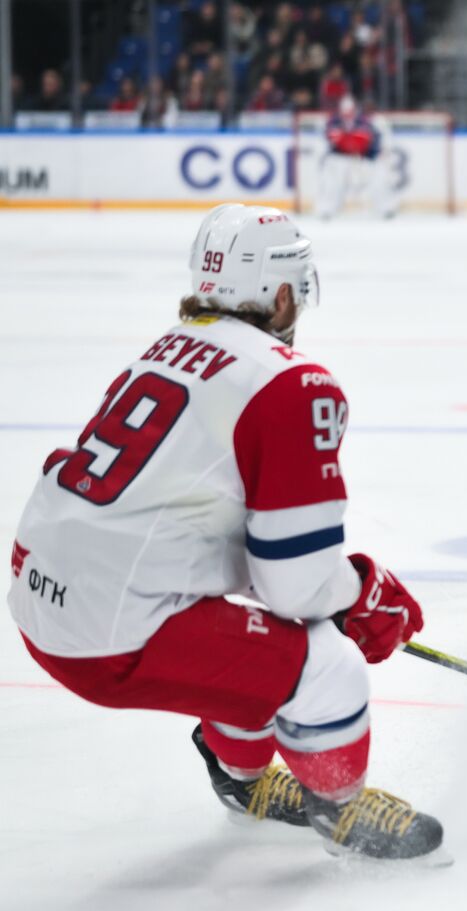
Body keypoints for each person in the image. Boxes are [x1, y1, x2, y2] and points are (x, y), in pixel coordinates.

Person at [7, 204, 443, 861]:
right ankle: (339, 806)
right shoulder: (293, 382)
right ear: (287, 292)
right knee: (329, 666)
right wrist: (360, 589)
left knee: (268, 637)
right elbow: (295, 585)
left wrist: (342, 589)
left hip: (36, 595)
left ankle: (240, 779)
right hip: (111, 634)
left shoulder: (162, 349)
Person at [318, 96, 397, 219]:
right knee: (332, 183)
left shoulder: (365, 121)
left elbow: (367, 139)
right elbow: (331, 137)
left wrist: (351, 140)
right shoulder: (333, 120)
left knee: (379, 181)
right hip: (340, 157)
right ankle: (328, 209)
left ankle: (386, 208)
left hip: (365, 157)